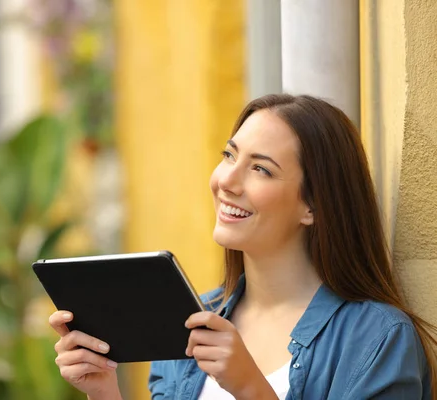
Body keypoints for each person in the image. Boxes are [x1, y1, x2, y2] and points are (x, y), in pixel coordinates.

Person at [48, 94, 437, 399]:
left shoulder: (378, 340)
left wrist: (251, 388)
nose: (226, 181)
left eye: (261, 169)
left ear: (313, 206)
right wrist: (103, 391)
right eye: (229, 156)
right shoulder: (188, 319)